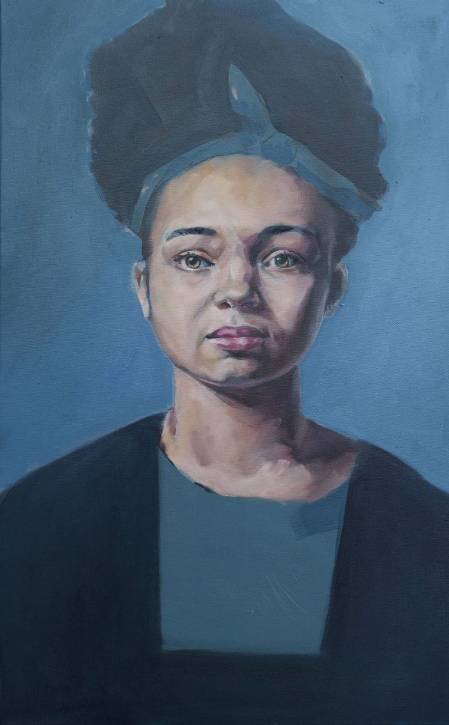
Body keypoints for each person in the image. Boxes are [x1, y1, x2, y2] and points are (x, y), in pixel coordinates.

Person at [1, 1, 448, 723]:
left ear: (331, 288)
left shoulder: (426, 536)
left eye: (282, 257)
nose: (236, 290)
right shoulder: (37, 530)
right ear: (144, 287)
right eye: (194, 257)